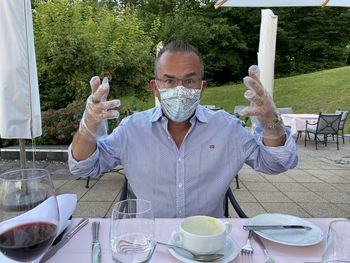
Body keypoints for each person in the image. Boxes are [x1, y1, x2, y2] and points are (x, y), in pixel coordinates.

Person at [68, 40, 298, 218]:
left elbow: (276, 163)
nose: (179, 89)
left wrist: (272, 122)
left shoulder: (226, 128)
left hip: (209, 244)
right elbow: (84, 166)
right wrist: (87, 125)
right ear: (155, 87)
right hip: (150, 242)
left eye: (189, 81)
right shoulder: (132, 130)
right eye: (168, 80)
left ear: (202, 87)